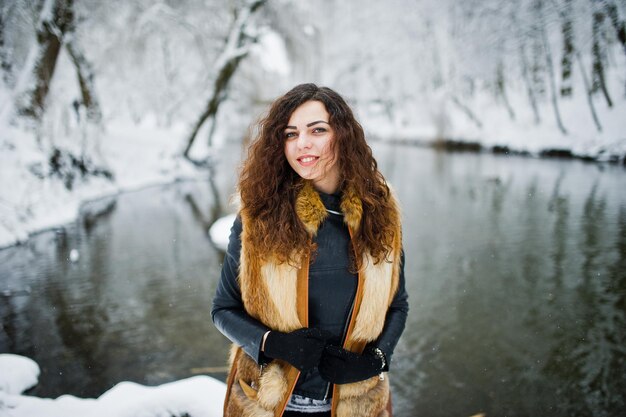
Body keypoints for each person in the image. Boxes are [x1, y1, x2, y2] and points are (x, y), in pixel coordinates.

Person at [211, 83, 408, 417]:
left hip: (357, 407)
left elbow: (397, 305)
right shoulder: (258, 215)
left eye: (317, 130)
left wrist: (376, 360)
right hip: (266, 406)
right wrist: (272, 343)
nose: (302, 143)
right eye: (290, 134)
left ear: (343, 136)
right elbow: (223, 309)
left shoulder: (381, 210)